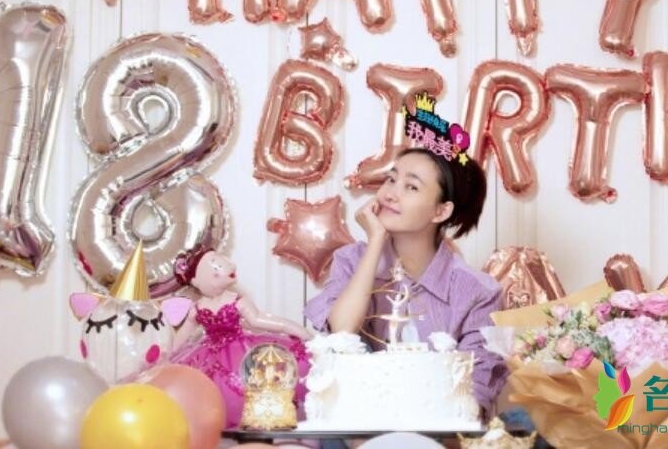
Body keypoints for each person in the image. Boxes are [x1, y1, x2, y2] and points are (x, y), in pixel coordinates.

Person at [303, 146, 507, 416]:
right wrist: (376, 241)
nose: (390, 194)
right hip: (355, 425)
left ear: (440, 211)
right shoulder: (351, 261)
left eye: (411, 187)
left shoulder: (478, 292)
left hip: (438, 432)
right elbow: (341, 332)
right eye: (391, 179)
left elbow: (472, 399)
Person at [169, 251, 312, 429]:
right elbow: (182, 336)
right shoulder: (197, 308)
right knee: (213, 392)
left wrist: (300, 332)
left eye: (222, 261)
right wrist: (168, 357)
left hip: (238, 351)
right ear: (197, 281)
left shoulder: (234, 301)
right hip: (209, 356)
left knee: (249, 382)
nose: (229, 265)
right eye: (216, 265)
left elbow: (259, 321)